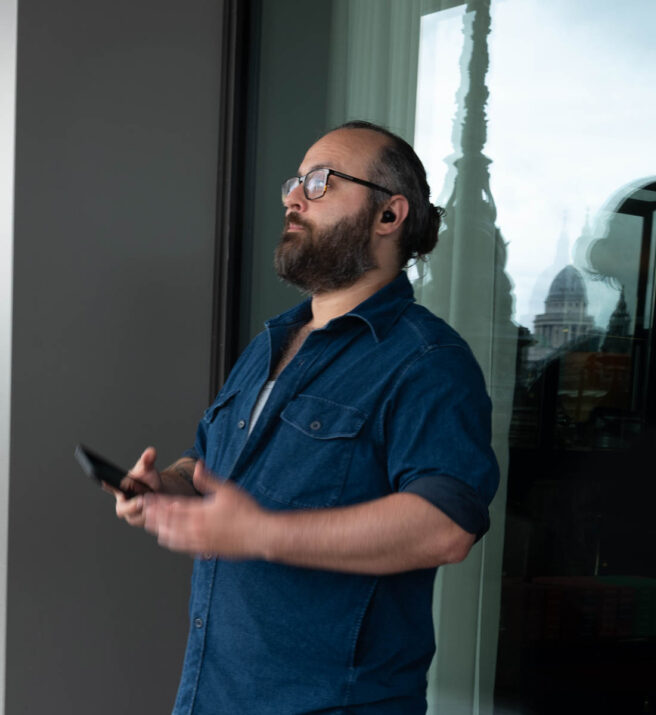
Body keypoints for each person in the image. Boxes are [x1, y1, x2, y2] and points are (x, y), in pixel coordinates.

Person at [109, 120, 500, 714]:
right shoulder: (272, 341)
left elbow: (446, 527)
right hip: (211, 697)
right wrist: (165, 487)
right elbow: (209, 465)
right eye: (296, 181)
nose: (294, 196)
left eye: (320, 182)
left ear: (389, 216)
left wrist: (259, 534)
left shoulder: (428, 361)